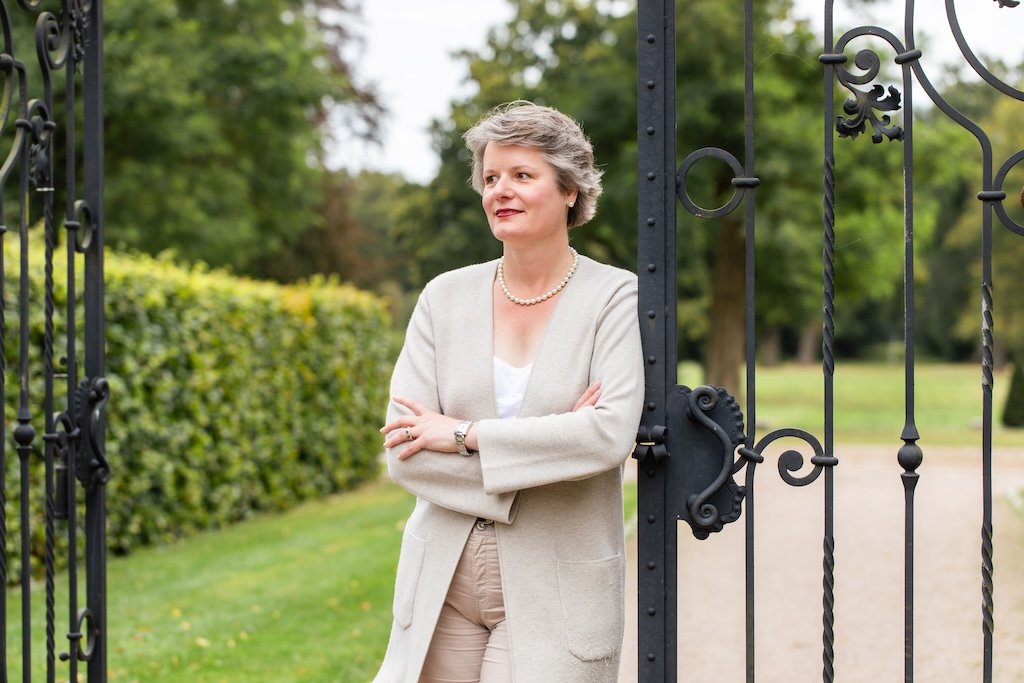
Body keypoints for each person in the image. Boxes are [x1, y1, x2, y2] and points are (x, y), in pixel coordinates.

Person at [373, 101, 644, 682]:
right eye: (491, 178)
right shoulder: (443, 298)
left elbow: (606, 435)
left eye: (523, 175)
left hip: (559, 581)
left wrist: (462, 435)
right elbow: (404, 452)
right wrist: (549, 447)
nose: (502, 190)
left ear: (570, 188)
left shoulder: (615, 297)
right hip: (441, 579)